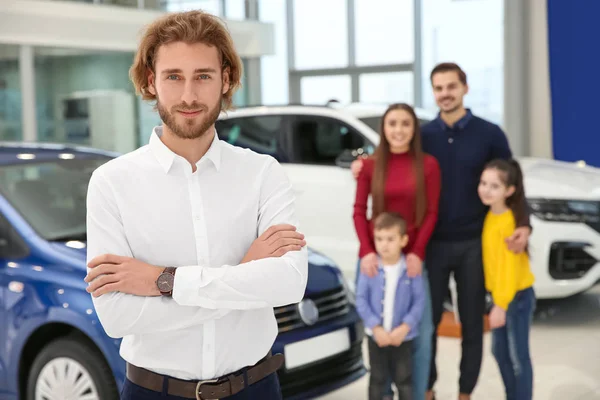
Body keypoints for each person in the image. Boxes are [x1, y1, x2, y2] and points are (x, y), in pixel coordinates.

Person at [84, 10, 308, 400]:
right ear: (151, 81)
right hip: (153, 391)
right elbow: (117, 317)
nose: (188, 95)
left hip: (255, 389)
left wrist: (163, 281)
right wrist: (242, 276)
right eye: (174, 76)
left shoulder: (262, 173)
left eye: (203, 76)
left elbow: (288, 284)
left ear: (226, 79)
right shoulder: (111, 183)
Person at [352, 63, 531, 400]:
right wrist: (362, 164)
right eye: (438, 88)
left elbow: (513, 183)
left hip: (472, 243)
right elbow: (392, 159)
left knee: (473, 326)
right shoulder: (427, 136)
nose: (445, 93)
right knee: (427, 324)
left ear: (464, 88)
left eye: (451, 86)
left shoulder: (490, 134)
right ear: (433, 92)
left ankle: (465, 392)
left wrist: (524, 223)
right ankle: (429, 388)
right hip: (431, 245)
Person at [353, 103, 441, 400]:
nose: (399, 130)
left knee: (420, 333)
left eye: (405, 124)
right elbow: (357, 211)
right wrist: (367, 251)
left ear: (414, 129)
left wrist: (416, 252)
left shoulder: (428, 165)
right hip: (374, 259)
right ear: (384, 128)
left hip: (411, 260)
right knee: (376, 334)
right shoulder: (369, 166)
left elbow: (430, 213)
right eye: (392, 124)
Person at [478, 159, 536, 400]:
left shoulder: (511, 223)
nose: (485, 190)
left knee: (518, 357)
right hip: (499, 297)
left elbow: (509, 270)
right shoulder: (489, 216)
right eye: (483, 183)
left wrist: (501, 305)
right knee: (499, 352)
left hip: (516, 297)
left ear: (509, 191)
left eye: (494, 186)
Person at [356, 212, 426, 400]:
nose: (384, 244)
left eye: (390, 239)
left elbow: (419, 302)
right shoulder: (369, 269)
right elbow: (360, 299)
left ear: (403, 240)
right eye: (379, 239)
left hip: (402, 337)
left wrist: (404, 328)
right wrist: (375, 328)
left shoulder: (410, 269)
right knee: (377, 379)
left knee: (404, 380)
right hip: (376, 337)